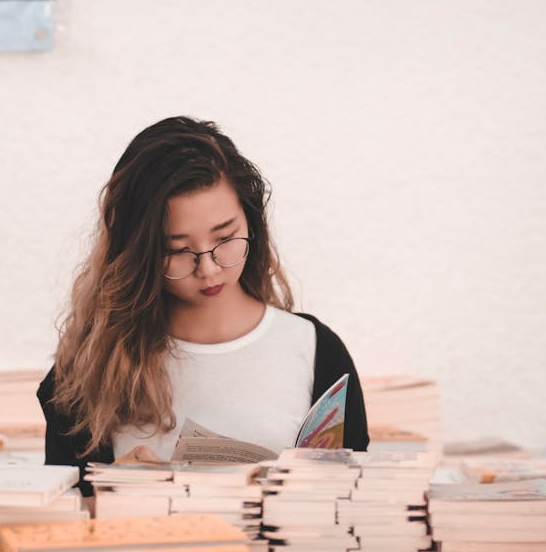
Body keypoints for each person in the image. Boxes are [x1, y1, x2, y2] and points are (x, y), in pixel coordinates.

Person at [38, 116, 368, 496]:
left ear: (252, 222)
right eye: (177, 250)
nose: (208, 268)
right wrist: (110, 493)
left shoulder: (316, 352)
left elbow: (352, 510)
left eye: (225, 237)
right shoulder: (88, 371)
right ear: (138, 253)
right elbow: (63, 525)